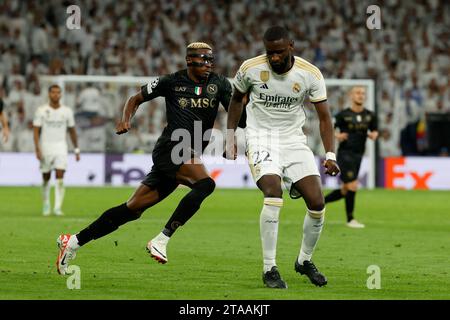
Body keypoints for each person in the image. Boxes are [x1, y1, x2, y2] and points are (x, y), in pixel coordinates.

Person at [55, 42, 245, 275]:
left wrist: (235, 130)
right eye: (202, 60)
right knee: (205, 184)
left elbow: (238, 116)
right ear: (189, 61)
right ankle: (162, 239)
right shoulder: (171, 81)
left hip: (189, 152)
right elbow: (135, 99)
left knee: (132, 209)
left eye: (210, 60)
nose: (208, 65)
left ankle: (72, 241)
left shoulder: (220, 84)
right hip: (172, 147)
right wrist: (126, 119)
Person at [226, 26, 340, 289]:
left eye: (278, 52)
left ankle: (304, 261)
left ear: (291, 46)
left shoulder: (310, 73)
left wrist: (330, 154)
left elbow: (324, 118)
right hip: (260, 138)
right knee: (273, 192)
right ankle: (270, 269)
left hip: (293, 141)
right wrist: (230, 136)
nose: (274, 58)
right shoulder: (250, 68)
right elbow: (236, 99)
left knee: (317, 203)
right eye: (269, 53)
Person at [324, 86, 378, 228]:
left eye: (363, 93)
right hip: (345, 154)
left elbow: (375, 130)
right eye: (358, 93)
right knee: (353, 185)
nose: (361, 95)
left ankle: (320, 202)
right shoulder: (343, 115)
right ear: (351, 96)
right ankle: (350, 219)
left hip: (359, 154)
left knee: (345, 189)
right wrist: (337, 135)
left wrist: (374, 134)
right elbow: (330, 127)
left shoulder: (370, 115)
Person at [33, 85, 80, 216]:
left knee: (60, 175)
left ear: (61, 95)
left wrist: (76, 149)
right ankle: (46, 203)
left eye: (58, 92)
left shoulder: (67, 111)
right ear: (49, 94)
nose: (55, 95)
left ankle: (58, 207)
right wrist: (37, 148)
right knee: (46, 177)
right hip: (46, 146)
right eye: (53, 92)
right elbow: (36, 131)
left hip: (61, 147)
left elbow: (72, 131)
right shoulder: (41, 110)